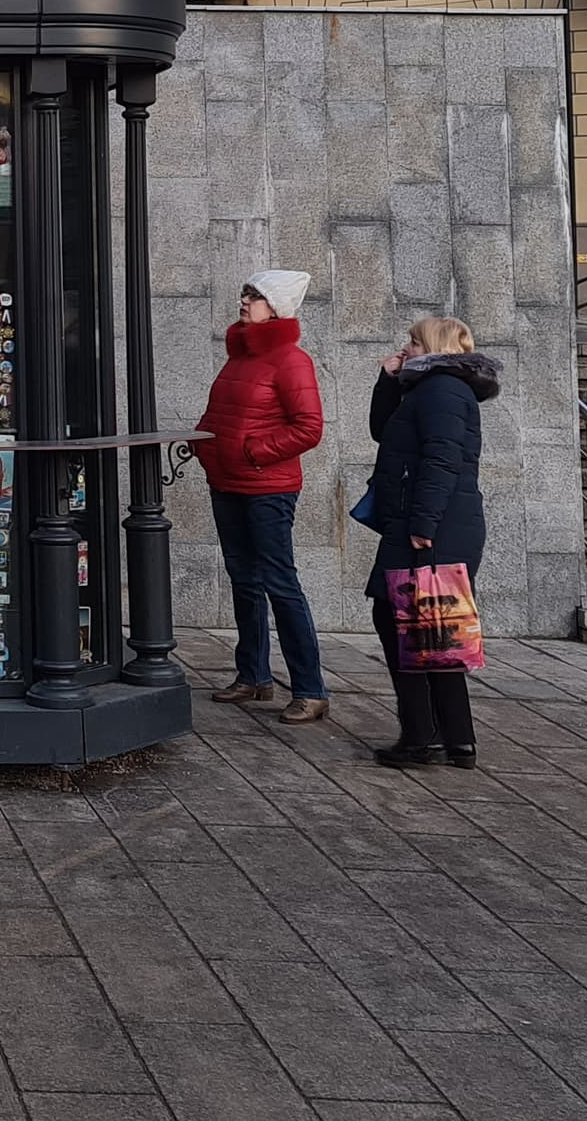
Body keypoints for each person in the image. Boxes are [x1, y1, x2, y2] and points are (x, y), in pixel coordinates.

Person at [191, 269, 328, 723]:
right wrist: (204, 444)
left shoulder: (291, 360)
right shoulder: (241, 356)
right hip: (227, 483)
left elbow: (308, 428)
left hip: (268, 489)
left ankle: (310, 689)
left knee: (280, 584)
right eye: (244, 293)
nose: (244, 302)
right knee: (244, 582)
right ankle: (253, 676)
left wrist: (252, 453)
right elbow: (221, 412)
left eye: (254, 296)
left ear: (277, 307)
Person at [362, 316, 498, 769]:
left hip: (429, 527)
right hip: (431, 523)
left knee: (401, 620)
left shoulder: (442, 390)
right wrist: (387, 381)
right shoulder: (429, 388)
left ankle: (422, 736)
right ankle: (456, 739)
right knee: (436, 627)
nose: (407, 347)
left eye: (414, 342)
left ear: (434, 347)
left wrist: (423, 524)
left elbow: (442, 460)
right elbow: (383, 430)